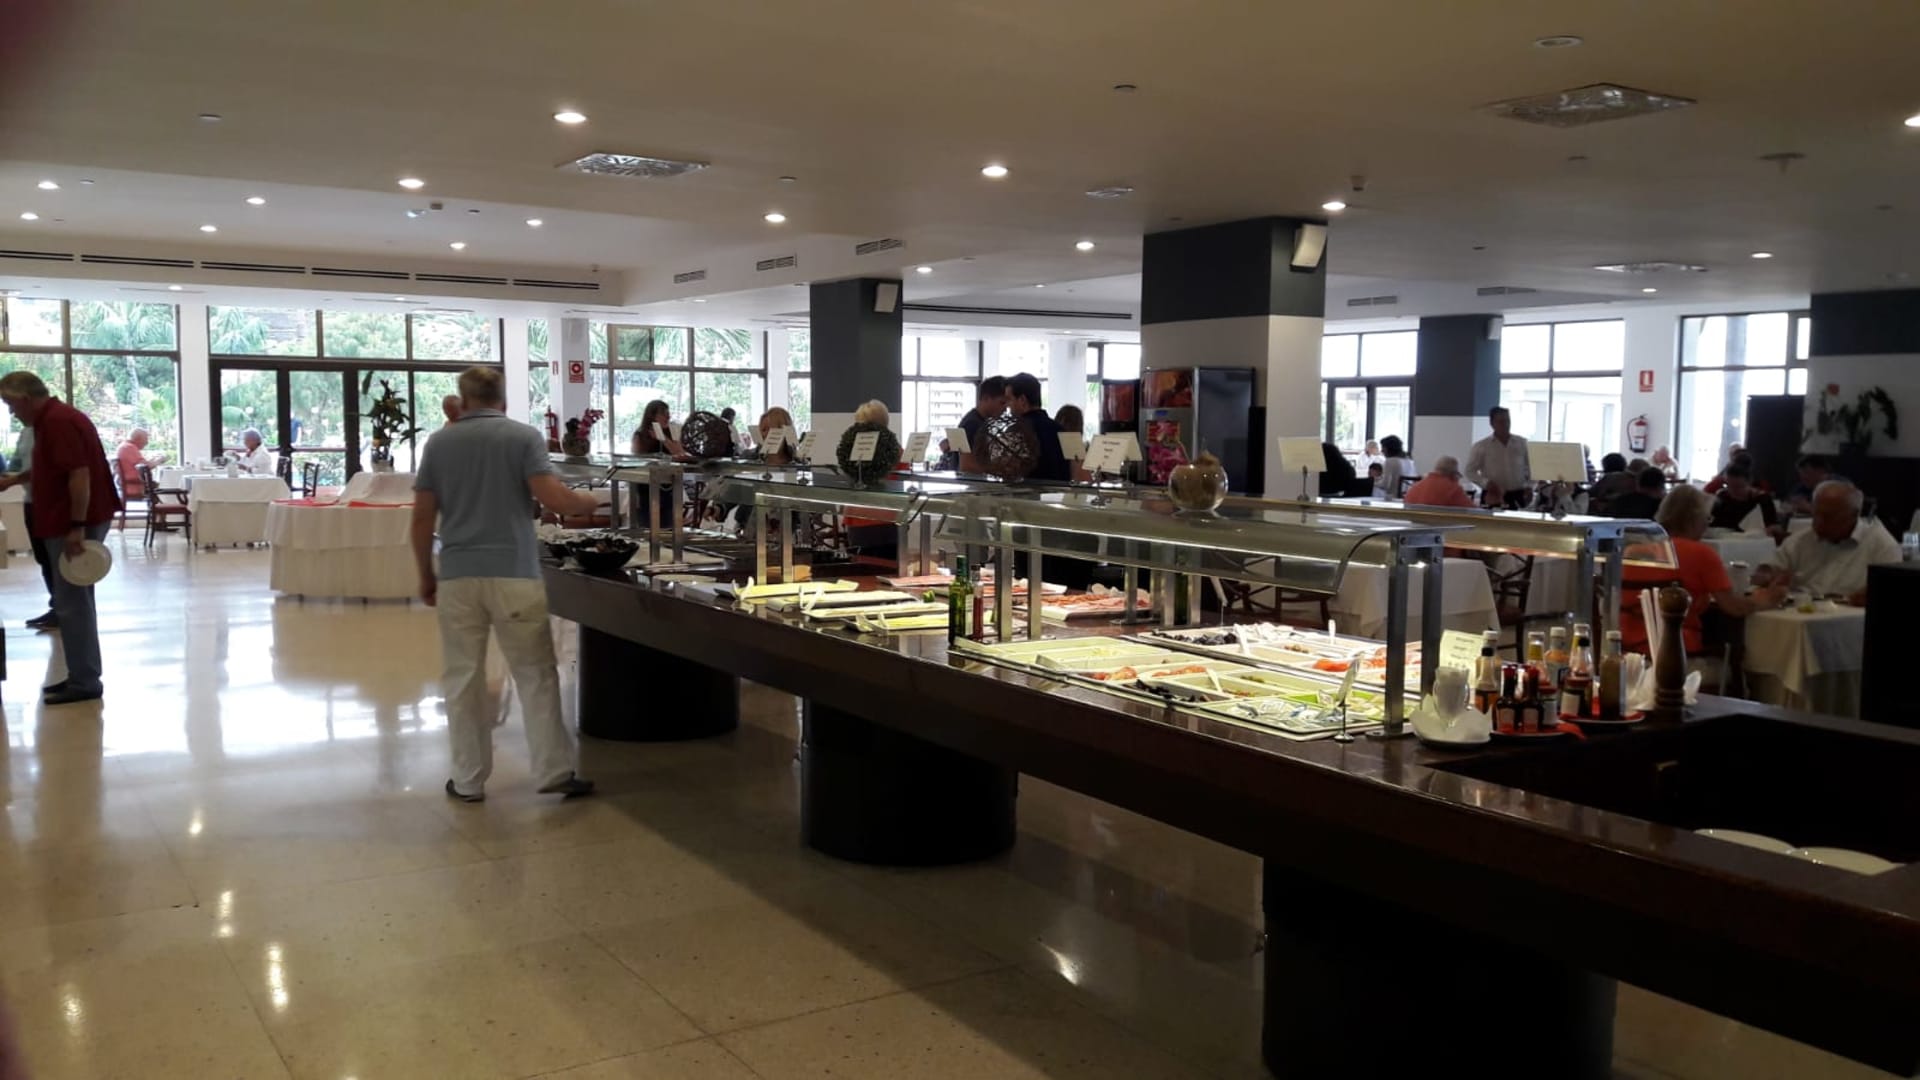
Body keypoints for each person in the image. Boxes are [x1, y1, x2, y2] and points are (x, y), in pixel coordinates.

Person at [412, 366, 599, 802]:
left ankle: (468, 780)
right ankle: (553, 771)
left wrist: (425, 574)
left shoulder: (439, 444)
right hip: (515, 572)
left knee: (463, 677)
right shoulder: (522, 437)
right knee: (535, 673)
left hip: (458, 574)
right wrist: (589, 500)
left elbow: (421, 518)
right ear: (505, 399)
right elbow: (553, 498)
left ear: (462, 401)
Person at [0, 371, 121, 705]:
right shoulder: (56, 419)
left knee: (72, 603)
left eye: (10, 404)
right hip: (70, 517)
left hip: (72, 520)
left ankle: (85, 680)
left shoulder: (57, 422)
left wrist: (76, 526)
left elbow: (79, 476)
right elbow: (52, 468)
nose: (12, 412)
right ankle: (82, 673)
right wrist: (15, 480)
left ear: (25, 398)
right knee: (76, 600)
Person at [1620, 485, 1784, 662]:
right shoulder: (1701, 554)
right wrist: (1760, 600)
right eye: (1707, 518)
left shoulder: (1632, 552)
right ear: (1693, 519)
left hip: (1628, 653)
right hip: (1678, 654)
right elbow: (1734, 607)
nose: (1707, 525)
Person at [1754, 480, 1900, 604]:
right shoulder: (1801, 540)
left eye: (1829, 517)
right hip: (1800, 610)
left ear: (1854, 514)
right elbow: (1769, 568)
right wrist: (1766, 575)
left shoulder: (1881, 545)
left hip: (1849, 618)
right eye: (1816, 514)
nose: (1819, 522)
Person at [0, 427, 56, 630]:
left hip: (52, 503)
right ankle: (56, 607)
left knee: (55, 559)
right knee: (43, 557)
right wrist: (8, 476)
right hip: (31, 501)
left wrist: (12, 480)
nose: (12, 412)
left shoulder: (51, 429)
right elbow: (14, 464)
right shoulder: (25, 433)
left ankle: (63, 609)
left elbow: (45, 468)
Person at [1008, 372, 1069, 482]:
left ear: (1022, 400)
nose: (1008, 405)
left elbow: (1009, 471)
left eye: (1010, 399)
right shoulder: (1062, 431)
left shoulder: (1016, 432)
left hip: (1024, 492)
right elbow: (1078, 473)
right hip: (1059, 492)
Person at [1465, 406, 1530, 508]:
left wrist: (1530, 486)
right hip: (1492, 495)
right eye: (1501, 421)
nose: (1506, 424)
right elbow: (1469, 471)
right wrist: (1486, 483)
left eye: (1508, 421)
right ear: (1492, 423)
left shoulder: (1522, 443)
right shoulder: (1482, 446)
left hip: (1518, 494)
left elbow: (1532, 467)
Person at [947, 375, 1008, 473]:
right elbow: (966, 466)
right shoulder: (972, 425)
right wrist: (1002, 470)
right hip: (969, 481)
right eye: (1002, 403)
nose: (1005, 409)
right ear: (986, 398)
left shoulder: (974, 421)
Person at [1707, 462, 1780, 534]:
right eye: (1729, 486)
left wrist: (1772, 529)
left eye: (1738, 486)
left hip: (1753, 538)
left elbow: (1773, 525)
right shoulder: (1722, 496)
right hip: (1725, 537)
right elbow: (1712, 523)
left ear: (1749, 482)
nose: (1733, 490)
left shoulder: (1762, 499)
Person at [1402, 455, 1476, 509]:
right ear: (1453, 474)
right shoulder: (1453, 489)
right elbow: (1473, 511)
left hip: (1414, 525)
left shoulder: (1415, 487)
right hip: (1440, 525)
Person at [114, 426, 166, 501]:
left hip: (128, 485)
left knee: (159, 486)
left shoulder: (125, 446)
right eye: (146, 439)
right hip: (133, 486)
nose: (147, 443)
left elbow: (142, 464)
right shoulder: (129, 447)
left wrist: (153, 460)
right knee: (165, 487)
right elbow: (146, 467)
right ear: (138, 439)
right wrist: (159, 460)